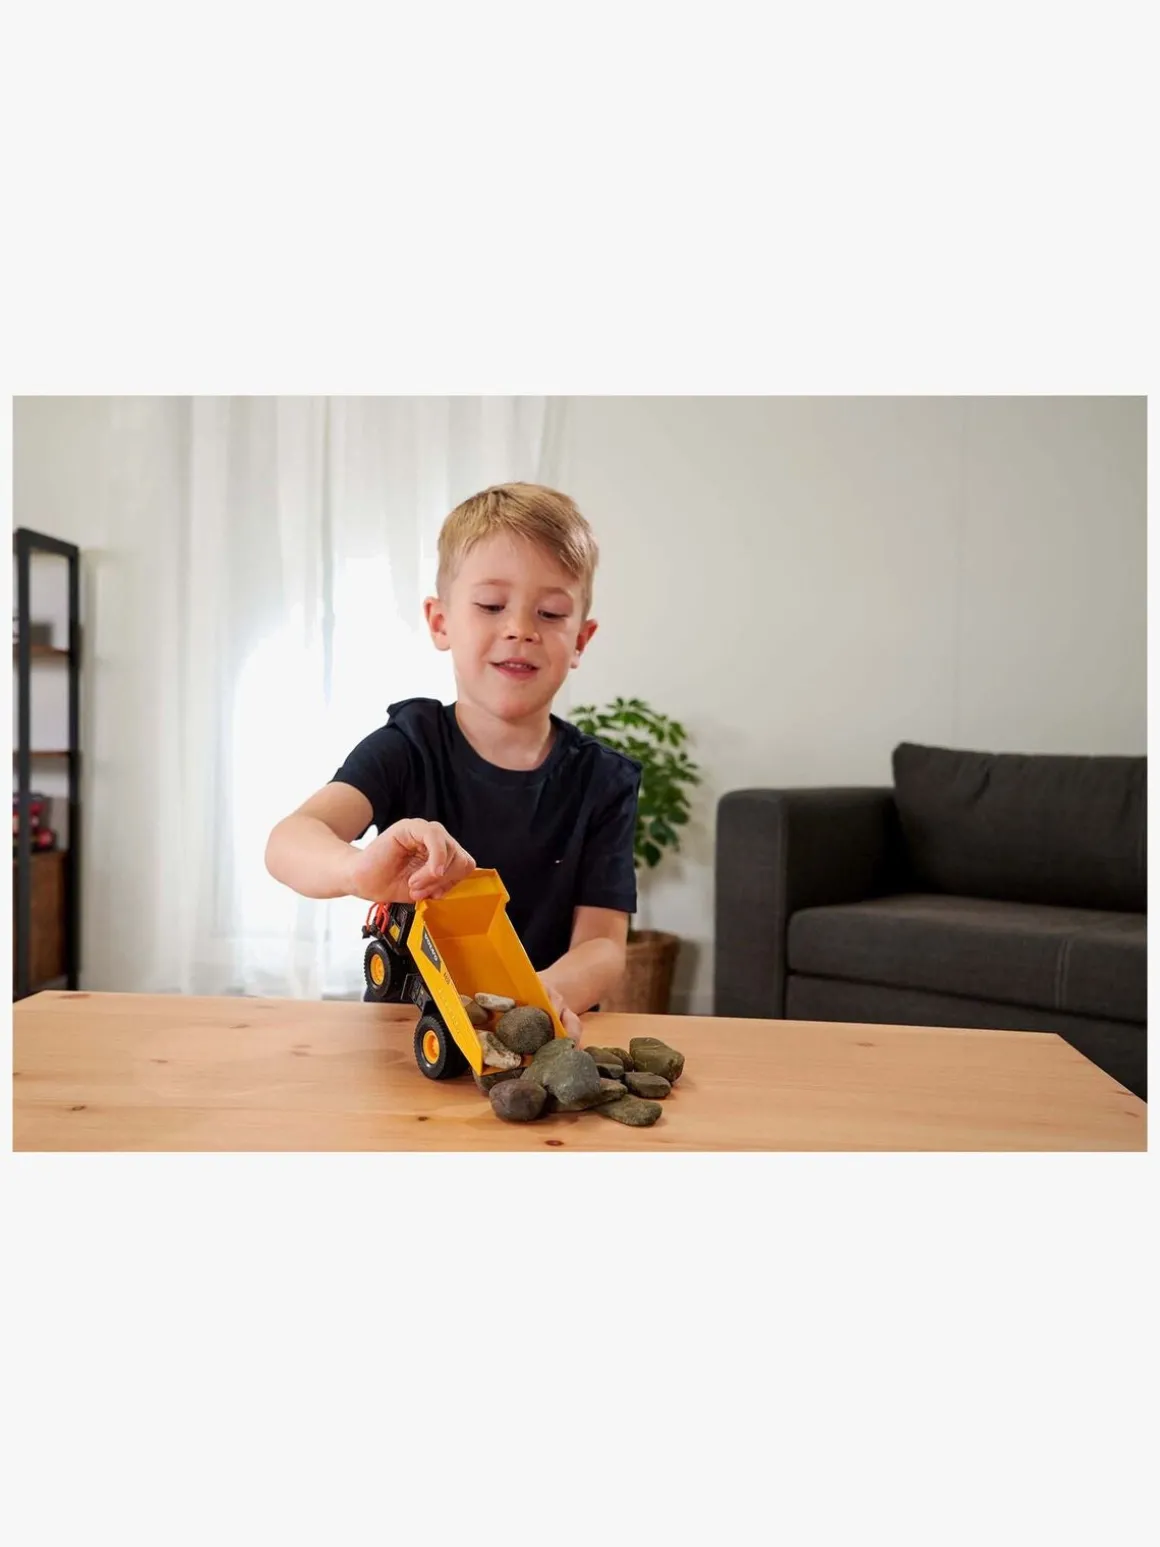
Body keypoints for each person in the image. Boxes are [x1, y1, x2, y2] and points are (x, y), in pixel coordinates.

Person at [265, 482, 641, 1039]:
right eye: (491, 606)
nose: (520, 629)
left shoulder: (603, 779)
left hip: (537, 1036)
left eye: (551, 612)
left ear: (581, 640)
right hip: (403, 1037)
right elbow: (289, 841)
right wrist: (355, 870)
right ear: (440, 622)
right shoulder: (407, 744)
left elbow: (603, 944)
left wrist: (537, 998)